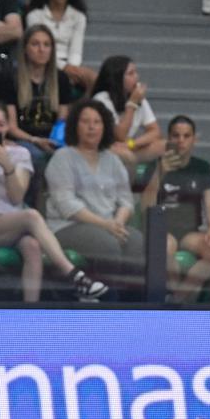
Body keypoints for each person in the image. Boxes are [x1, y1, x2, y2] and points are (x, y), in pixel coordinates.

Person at [0, 100, 107, 302]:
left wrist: (7, 166)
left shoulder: (20, 154)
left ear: (8, 126)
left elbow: (16, 197)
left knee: (33, 246)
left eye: (0, 125)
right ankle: (74, 276)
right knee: (32, 215)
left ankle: (30, 312)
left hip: (10, 225)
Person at [45, 99, 143, 295]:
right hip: (68, 226)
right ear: (75, 125)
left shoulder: (113, 160)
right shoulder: (63, 157)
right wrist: (105, 225)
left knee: (138, 242)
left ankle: (134, 306)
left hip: (109, 226)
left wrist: (118, 222)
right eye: (85, 121)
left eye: (97, 122)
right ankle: (107, 305)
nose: (92, 127)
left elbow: (126, 201)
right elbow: (67, 206)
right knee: (108, 245)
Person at [141, 115, 210, 302]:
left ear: (194, 139)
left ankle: (177, 298)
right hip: (161, 229)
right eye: (176, 135)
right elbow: (146, 205)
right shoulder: (155, 165)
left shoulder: (202, 167)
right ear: (168, 138)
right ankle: (175, 299)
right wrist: (160, 173)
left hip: (189, 233)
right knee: (166, 244)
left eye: (186, 136)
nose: (181, 141)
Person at [4, 24, 71, 180]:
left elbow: (61, 121)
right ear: (25, 49)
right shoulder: (10, 79)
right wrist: (35, 140)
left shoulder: (61, 79)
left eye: (46, 45)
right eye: (35, 44)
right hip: (23, 139)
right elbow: (11, 127)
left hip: (51, 139)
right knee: (34, 156)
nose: (41, 49)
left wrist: (55, 142)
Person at [24, 0, 95, 91]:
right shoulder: (34, 16)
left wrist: (72, 69)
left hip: (71, 66)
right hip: (42, 62)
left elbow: (76, 50)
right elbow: (38, 47)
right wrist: (63, 68)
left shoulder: (79, 17)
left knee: (94, 79)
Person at [92, 55, 165, 169]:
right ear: (117, 78)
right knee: (126, 156)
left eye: (136, 72)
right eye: (131, 74)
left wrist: (131, 144)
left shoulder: (138, 98)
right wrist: (132, 104)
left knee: (163, 145)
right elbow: (120, 135)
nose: (137, 77)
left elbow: (155, 131)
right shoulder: (102, 99)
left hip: (126, 147)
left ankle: (132, 162)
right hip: (106, 148)